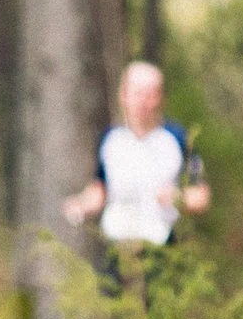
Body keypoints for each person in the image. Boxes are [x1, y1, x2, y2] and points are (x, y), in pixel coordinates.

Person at [60, 62, 210, 245]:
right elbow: (101, 188)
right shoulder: (111, 139)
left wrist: (178, 198)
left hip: (163, 247)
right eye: (137, 93)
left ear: (161, 98)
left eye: (150, 94)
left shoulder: (178, 139)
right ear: (123, 95)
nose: (143, 102)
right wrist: (81, 205)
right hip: (116, 248)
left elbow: (201, 196)